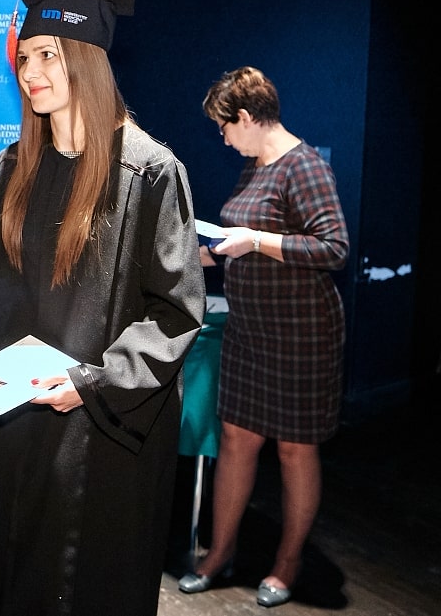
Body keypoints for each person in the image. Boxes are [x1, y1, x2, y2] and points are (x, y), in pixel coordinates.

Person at [0, 0, 206, 616]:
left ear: (86, 61)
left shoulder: (147, 173)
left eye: (47, 56)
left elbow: (174, 310)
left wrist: (94, 381)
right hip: (5, 420)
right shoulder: (17, 165)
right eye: (24, 57)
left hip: (92, 430)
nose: (28, 72)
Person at [177, 65, 349, 608]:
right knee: (236, 440)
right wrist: (186, 258)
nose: (223, 138)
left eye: (225, 126)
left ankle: (287, 563)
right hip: (250, 332)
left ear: (248, 118)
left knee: (295, 450)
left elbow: (334, 248)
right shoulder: (255, 168)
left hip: (302, 334)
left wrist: (255, 240)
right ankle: (220, 552)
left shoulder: (305, 167)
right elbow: (234, 241)